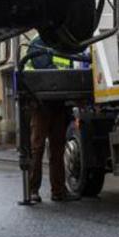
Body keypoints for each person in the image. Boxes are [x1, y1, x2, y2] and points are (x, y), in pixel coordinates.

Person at [25, 36, 81, 204]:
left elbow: (70, 69)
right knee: (38, 147)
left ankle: (58, 191)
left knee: (57, 149)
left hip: (59, 104)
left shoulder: (65, 43)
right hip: (41, 103)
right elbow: (45, 69)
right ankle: (33, 191)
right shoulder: (38, 44)